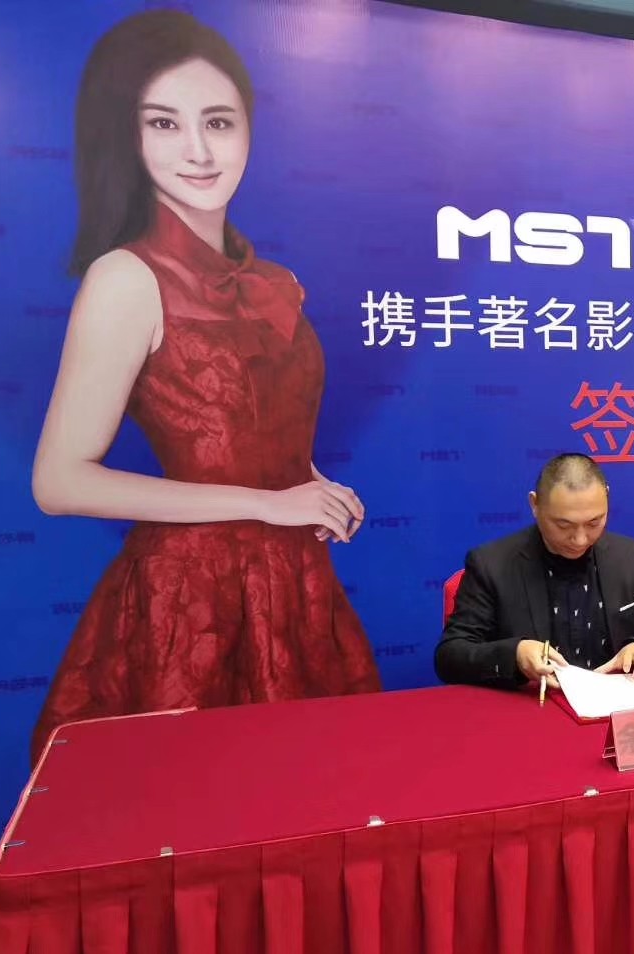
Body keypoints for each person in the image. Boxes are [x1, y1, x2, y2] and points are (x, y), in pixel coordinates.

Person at [28, 11, 379, 762]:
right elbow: (59, 482)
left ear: (248, 129)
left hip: (296, 583)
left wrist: (312, 484)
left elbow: (252, 430)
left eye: (218, 122)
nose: (198, 150)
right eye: (164, 123)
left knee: (318, 792)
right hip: (189, 599)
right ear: (129, 136)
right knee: (192, 801)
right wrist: (266, 503)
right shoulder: (126, 278)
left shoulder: (278, 282)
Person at [436, 454, 634, 689]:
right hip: (531, 710)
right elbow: (450, 656)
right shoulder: (491, 564)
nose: (580, 540)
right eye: (563, 525)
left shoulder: (627, 555)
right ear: (535, 505)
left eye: (594, 523)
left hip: (610, 706)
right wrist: (515, 654)